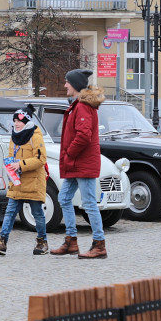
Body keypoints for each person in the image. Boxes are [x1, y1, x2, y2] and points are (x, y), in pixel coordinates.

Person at [50, 68, 108, 259]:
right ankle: (71, 241)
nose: (65, 85)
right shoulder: (78, 105)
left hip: (81, 163)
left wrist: (69, 154)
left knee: (89, 203)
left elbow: (83, 136)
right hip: (76, 164)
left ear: (75, 85)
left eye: (67, 82)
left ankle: (99, 245)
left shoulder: (82, 106)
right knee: (64, 199)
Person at [0, 106, 49, 256]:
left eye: (19, 120)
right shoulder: (14, 135)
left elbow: (41, 159)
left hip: (33, 181)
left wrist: (20, 164)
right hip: (17, 181)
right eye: (14, 120)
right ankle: (2, 242)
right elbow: (12, 155)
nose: (16, 123)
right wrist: (10, 168)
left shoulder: (35, 136)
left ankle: (42, 242)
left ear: (26, 121)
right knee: (10, 212)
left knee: (37, 213)